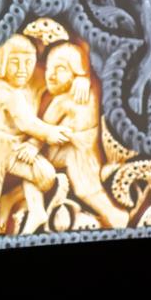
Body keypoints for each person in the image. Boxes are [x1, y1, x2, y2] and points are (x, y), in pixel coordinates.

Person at [0, 35, 70, 234]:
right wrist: (50, 132)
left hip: (14, 148)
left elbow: (57, 77)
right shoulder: (3, 89)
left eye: (28, 62)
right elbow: (25, 122)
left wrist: (81, 78)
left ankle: (15, 202)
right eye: (14, 62)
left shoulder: (24, 85)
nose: (22, 69)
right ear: (2, 63)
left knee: (45, 175)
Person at [38, 43, 128, 228]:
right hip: (78, 152)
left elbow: (42, 131)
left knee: (86, 189)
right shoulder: (84, 93)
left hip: (80, 155)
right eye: (48, 68)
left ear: (75, 73)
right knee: (86, 189)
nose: (51, 75)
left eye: (60, 68)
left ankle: (117, 219)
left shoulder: (69, 99)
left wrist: (85, 76)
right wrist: (85, 77)